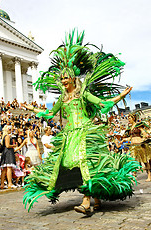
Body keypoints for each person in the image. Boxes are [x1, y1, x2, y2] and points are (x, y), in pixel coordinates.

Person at [22, 29, 140, 213]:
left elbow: (102, 103)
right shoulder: (62, 98)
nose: (63, 81)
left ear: (73, 78)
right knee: (75, 165)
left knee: (87, 162)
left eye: (65, 78)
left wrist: (122, 95)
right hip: (69, 136)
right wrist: (32, 109)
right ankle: (96, 198)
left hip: (85, 132)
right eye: (61, 79)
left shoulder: (83, 93)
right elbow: (50, 113)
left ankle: (87, 202)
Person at [122, 112, 151, 181]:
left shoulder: (138, 125)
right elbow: (131, 137)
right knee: (133, 161)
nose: (128, 120)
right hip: (133, 146)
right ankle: (134, 176)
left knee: (144, 161)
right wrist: (124, 139)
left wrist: (145, 136)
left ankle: (149, 175)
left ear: (133, 118)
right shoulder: (129, 128)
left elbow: (143, 132)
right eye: (128, 118)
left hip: (140, 145)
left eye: (129, 118)